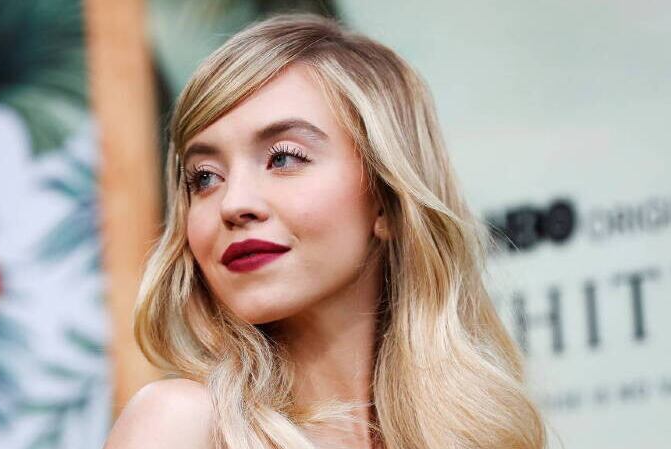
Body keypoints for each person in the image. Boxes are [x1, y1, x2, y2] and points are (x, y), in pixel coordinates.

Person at [104, 13, 545, 449]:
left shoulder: (475, 434)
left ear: (388, 199)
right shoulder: (180, 424)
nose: (233, 204)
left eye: (283, 158)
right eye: (204, 177)